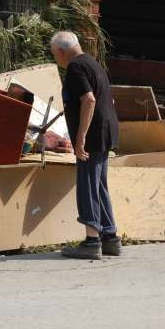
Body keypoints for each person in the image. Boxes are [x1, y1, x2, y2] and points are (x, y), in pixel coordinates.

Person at [50, 31, 120, 260]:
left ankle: (92, 242)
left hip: (93, 134)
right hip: (107, 130)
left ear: (61, 52)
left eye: (55, 55)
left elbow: (88, 100)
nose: (56, 60)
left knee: (88, 185)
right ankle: (110, 237)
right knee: (99, 184)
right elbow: (108, 99)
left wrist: (80, 137)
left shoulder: (75, 68)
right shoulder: (93, 63)